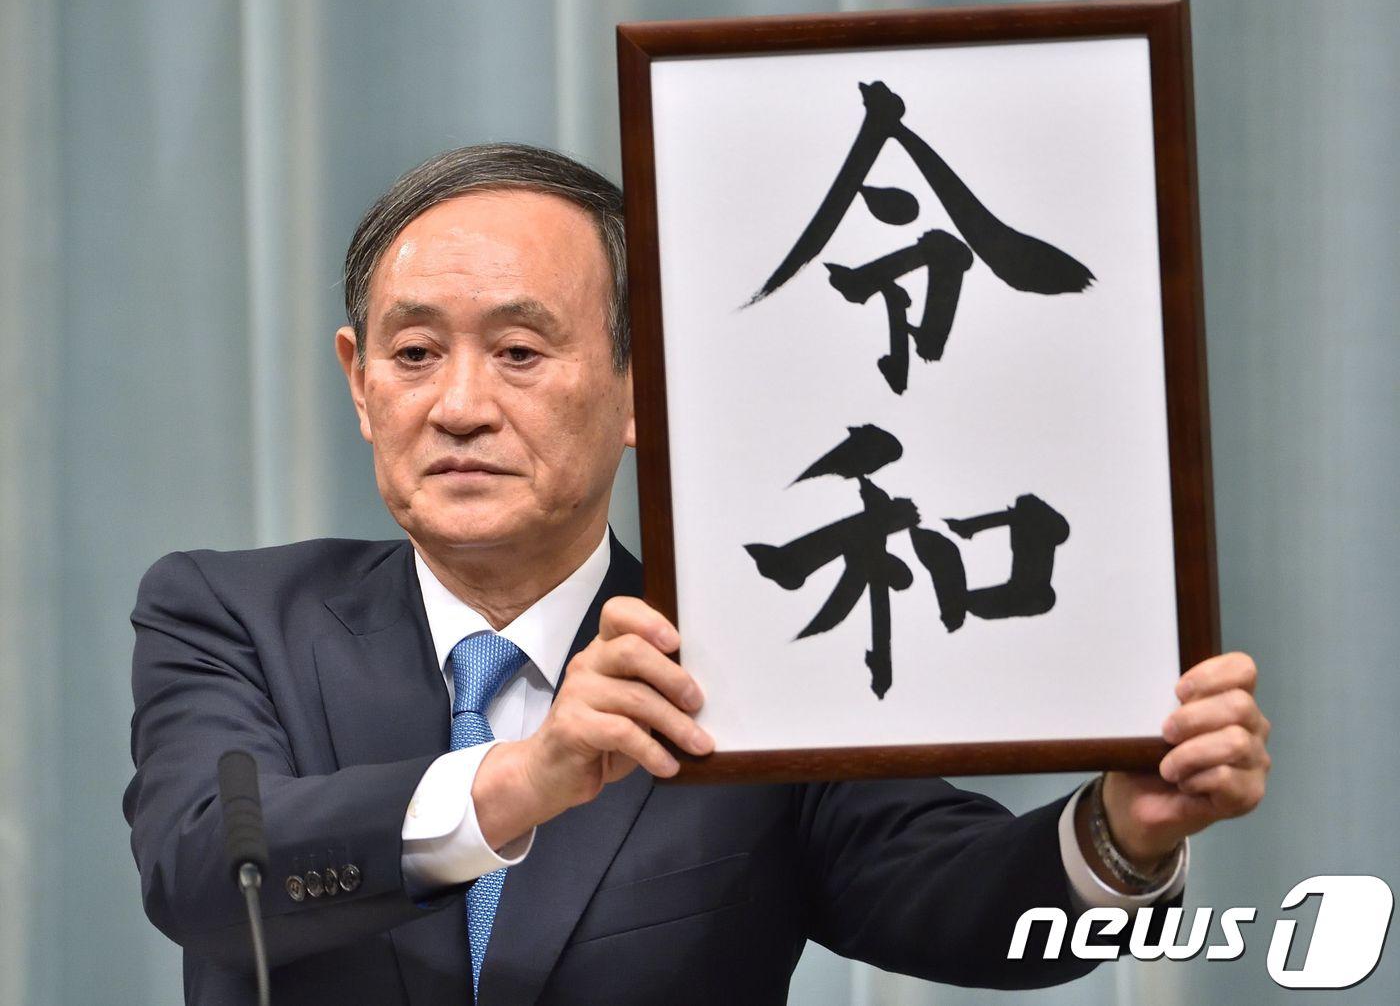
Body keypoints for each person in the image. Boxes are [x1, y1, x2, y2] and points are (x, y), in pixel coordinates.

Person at [124, 143, 1271, 1006]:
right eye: (414, 352)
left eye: (520, 352)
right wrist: (523, 779)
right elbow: (207, 873)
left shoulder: (752, 644)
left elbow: (949, 899)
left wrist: (1123, 832)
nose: (460, 403)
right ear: (360, 380)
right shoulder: (230, 615)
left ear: (641, 388)